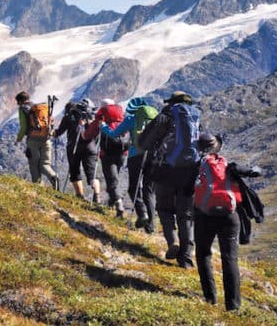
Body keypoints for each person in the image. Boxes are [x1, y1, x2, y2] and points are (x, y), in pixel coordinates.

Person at [193, 133, 260, 311]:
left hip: (204, 215)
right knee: (230, 259)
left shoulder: (197, 166)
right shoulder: (230, 166)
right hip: (230, 217)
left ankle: (210, 298)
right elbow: (253, 172)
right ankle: (233, 306)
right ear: (218, 148)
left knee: (203, 254)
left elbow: (186, 190)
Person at [139, 91, 201, 268]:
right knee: (186, 214)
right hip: (190, 172)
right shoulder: (195, 117)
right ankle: (187, 258)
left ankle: (172, 242)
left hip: (166, 169)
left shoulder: (165, 116)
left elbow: (143, 143)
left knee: (165, 208)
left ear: (172, 102)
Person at [101, 97, 158, 231]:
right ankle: (151, 225)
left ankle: (142, 213)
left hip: (136, 156)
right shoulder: (155, 117)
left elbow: (115, 133)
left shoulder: (131, 118)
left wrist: (103, 127)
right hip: (154, 156)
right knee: (149, 190)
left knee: (134, 188)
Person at [83, 98, 127, 215]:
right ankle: (111, 204)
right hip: (122, 153)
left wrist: (87, 129)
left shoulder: (102, 119)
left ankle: (119, 205)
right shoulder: (121, 117)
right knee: (114, 178)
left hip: (107, 154)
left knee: (111, 180)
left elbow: (88, 135)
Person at [54, 99, 98, 200]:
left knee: (75, 172)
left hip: (74, 147)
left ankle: (80, 196)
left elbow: (59, 132)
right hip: (90, 146)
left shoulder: (68, 117)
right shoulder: (89, 116)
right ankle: (97, 196)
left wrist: (52, 132)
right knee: (92, 174)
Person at [15, 91, 59, 188]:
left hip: (33, 140)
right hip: (46, 138)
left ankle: (37, 186)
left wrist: (19, 139)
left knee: (33, 163)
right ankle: (53, 176)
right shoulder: (37, 108)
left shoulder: (23, 109)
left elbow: (24, 127)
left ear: (20, 101)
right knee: (45, 164)